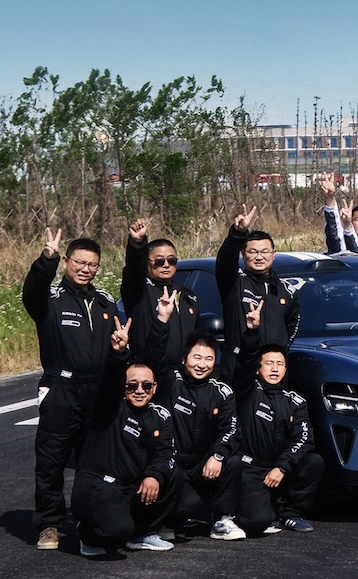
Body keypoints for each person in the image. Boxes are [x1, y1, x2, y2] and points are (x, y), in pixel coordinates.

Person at [24, 229, 126, 550]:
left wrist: (119, 350)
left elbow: (113, 347)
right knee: (52, 459)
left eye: (92, 264)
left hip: (97, 392)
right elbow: (32, 292)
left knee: (94, 461)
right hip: (61, 388)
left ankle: (87, 520)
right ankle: (49, 525)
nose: (85, 269)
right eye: (79, 262)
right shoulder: (50, 299)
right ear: (67, 261)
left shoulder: (105, 301)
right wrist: (46, 261)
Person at [73, 356, 184, 557]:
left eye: (146, 385)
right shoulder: (110, 408)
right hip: (99, 485)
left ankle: (143, 533)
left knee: (173, 475)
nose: (140, 391)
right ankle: (87, 533)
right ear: (123, 387)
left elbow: (166, 452)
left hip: (128, 487)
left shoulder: (160, 415)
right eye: (132, 385)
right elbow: (108, 384)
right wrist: (118, 354)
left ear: (155, 387)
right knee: (118, 531)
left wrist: (154, 476)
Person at [153, 330, 245, 541]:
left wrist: (218, 455)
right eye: (197, 357)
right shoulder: (170, 382)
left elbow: (231, 430)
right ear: (184, 358)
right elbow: (154, 356)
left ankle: (222, 520)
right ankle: (164, 522)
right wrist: (162, 323)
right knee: (188, 504)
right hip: (172, 463)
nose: (202, 364)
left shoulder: (222, 391)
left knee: (233, 461)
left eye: (209, 359)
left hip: (202, 465)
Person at [236, 346, 325, 536]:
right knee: (256, 522)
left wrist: (282, 467)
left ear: (285, 369)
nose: (274, 369)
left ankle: (291, 514)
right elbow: (243, 366)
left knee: (314, 462)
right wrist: (251, 335)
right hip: (251, 468)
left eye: (279, 364)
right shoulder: (247, 393)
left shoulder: (296, 401)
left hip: (280, 468)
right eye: (269, 364)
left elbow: (304, 438)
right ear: (258, 368)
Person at [215, 205, 300, 391]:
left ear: (273, 255)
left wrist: (279, 350)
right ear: (243, 255)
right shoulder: (234, 283)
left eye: (264, 252)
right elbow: (225, 261)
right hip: (239, 366)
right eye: (253, 252)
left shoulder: (286, 291)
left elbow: (291, 326)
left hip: (272, 371)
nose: (259, 257)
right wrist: (238, 233)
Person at [119, 219, 200, 374]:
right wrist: (137, 244)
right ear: (148, 263)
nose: (166, 264)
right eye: (159, 260)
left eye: (171, 260)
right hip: (148, 373)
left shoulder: (188, 297)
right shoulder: (139, 290)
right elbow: (133, 270)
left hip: (182, 376)